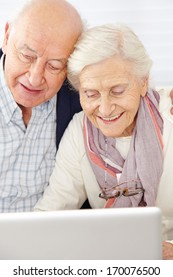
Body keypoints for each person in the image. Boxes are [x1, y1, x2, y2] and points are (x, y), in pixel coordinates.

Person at [34, 24, 173, 259]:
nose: (105, 109)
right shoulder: (80, 131)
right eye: (91, 94)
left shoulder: (169, 113)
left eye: (118, 91)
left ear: (143, 82)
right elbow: (48, 217)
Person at [0, 0, 83, 212]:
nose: (35, 78)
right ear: (6, 37)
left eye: (54, 66)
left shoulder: (79, 101)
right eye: (27, 56)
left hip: (50, 241)